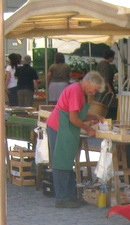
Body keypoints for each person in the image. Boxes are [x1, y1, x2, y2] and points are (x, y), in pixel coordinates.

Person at [45, 71, 105, 208]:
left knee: (67, 162)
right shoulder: (76, 91)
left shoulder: (79, 91)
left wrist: (94, 117)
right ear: (89, 83)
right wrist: (89, 129)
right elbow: (74, 118)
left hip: (64, 128)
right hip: (59, 127)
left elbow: (78, 115)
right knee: (61, 162)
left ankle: (70, 195)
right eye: (94, 89)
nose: (94, 92)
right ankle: (62, 198)